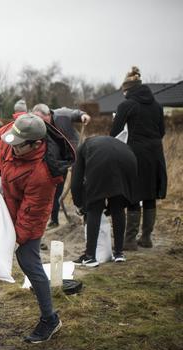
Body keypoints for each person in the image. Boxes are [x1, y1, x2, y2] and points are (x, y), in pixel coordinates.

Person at [0, 114, 73, 343]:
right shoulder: (15, 131)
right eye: (11, 140)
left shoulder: (43, 173)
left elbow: (31, 213)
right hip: (3, 205)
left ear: (36, 144)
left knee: (27, 261)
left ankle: (50, 319)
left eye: (18, 145)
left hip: (30, 215)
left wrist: (16, 239)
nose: (11, 146)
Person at [109, 66, 167, 250]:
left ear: (128, 88)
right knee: (150, 194)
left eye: (124, 91)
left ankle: (129, 240)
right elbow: (162, 131)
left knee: (134, 194)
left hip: (135, 154)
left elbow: (115, 132)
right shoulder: (157, 105)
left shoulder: (127, 105)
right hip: (156, 154)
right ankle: (147, 238)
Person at [71, 136, 138, 267]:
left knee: (94, 208)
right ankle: (119, 253)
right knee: (118, 208)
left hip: (103, 161)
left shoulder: (81, 149)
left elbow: (76, 182)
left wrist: (79, 204)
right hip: (129, 158)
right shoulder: (107, 143)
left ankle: (90, 256)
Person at [32, 103, 91, 227]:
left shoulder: (61, 114)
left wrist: (83, 115)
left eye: (42, 120)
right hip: (58, 159)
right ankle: (54, 219)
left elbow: (75, 113)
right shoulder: (38, 125)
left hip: (76, 154)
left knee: (81, 184)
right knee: (55, 189)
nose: (40, 124)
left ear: (48, 115)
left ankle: (86, 215)